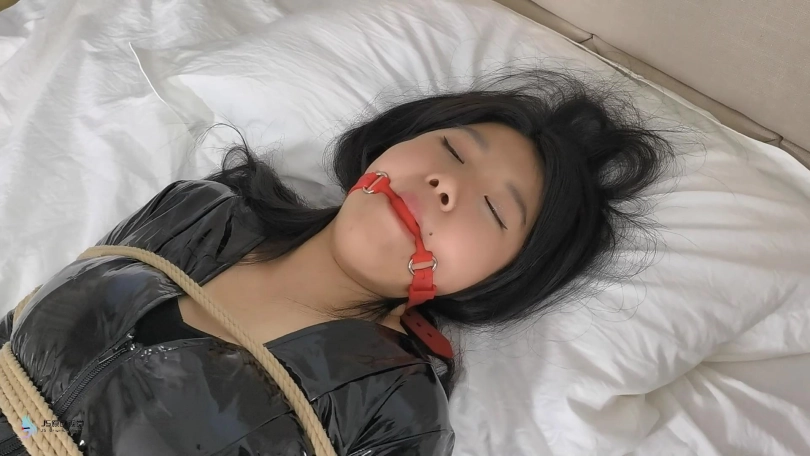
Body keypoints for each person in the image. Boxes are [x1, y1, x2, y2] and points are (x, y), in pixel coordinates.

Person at [0, 69, 674, 455]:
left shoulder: (395, 412)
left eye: (495, 211)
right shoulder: (196, 211)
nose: (447, 185)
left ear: (502, 278)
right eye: (452, 150)